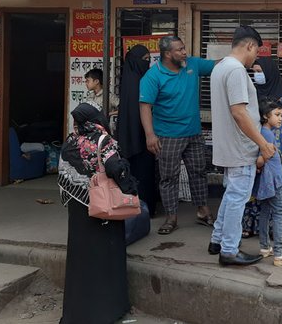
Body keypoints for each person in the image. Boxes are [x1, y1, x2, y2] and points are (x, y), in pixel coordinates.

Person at [57, 102, 138, 324]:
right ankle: (106, 312)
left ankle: (77, 314)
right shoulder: (103, 140)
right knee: (105, 260)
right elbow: (115, 168)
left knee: (80, 262)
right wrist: (130, 186)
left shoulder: (70, 141)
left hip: (77, 208)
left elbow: (64, 172)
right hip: (102, 209)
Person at [208, 25, 275, 266]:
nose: (255, 57)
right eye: (256, 51)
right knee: (238, 197)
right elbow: (239, 113)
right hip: (241, 147)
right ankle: (229, 250)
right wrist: (263, 144)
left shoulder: (220, 67)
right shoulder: (236, 70)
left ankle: (217, 240)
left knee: (231, 194)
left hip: (229, 145)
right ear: (249, 45)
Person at [139, 36, 215, 235]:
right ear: (167, 54)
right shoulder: (153, 76)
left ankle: (203, 210)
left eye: (184, 48)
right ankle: (171, 217)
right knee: (169, 177)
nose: (184, 52)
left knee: (198, 172)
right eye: (179, 50)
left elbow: (217, 65)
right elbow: (145, 107)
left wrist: (239, 57)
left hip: (194, 133)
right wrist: (150, 135)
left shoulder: (192, 64)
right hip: (168, 136)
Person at [242, 57, 282, 237]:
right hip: (256, 153)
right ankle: (250, 225)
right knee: (254, 190)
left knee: (273, 196)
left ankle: (274, 229)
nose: (257, 75)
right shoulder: (253, 96)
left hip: (273, 157)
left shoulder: (281, 101)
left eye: (260, 72)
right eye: (254, 72)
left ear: (270, 73)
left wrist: (269, 156)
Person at [116, 44, 158, 216]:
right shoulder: (138, 81)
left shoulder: (129, 80)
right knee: (143, 171)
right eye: (145, 59)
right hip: (140, 135)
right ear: (135, 61)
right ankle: (144, 207)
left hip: (132, 135)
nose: (147, 63)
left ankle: (136, 206)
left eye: (149, 59)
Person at [255, 98, 282, 266]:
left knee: (265, 211)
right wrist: (268, 155)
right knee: (279, 213)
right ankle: (279, 253)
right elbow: (261, 160)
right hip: (275, 179)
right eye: (277, 115)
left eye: (281, 115)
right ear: (266, 116)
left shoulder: (262, 132)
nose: (280, 119)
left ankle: (265, 247)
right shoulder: (268, 134)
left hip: (267, 180)